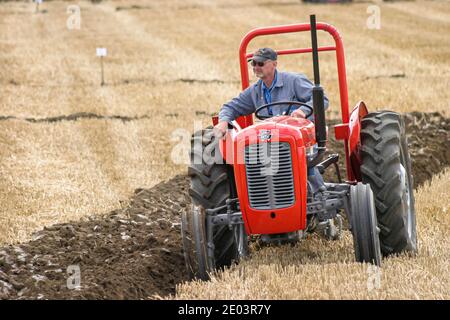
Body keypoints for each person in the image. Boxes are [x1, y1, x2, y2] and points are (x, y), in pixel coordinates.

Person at [213, 47, 329, 194]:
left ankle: (319, 193)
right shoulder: (254, 91)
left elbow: (322, 99)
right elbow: (231, 107)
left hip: (296, 141)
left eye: (260, 63)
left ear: (274, 64)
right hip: (267, 144)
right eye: (253, 63)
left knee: (305, 162)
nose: (256, 67)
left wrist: (303, 111)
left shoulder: (293, 81)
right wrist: (223, 121)